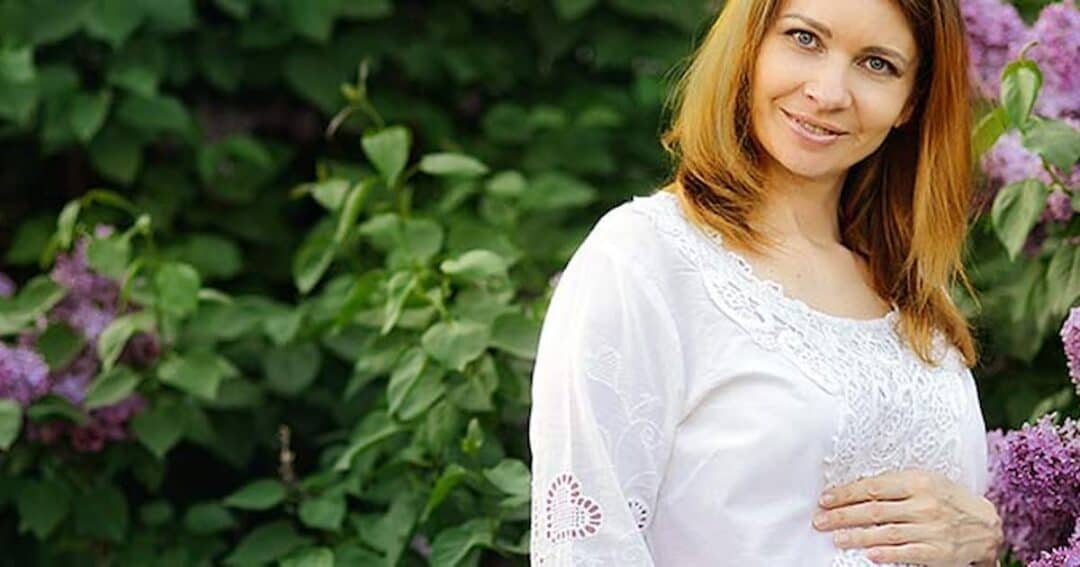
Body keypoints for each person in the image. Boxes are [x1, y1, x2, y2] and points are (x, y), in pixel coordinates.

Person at [527, 0, 1007, 565]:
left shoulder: (912, 295)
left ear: (911, 102)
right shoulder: (644, 260)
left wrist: (983, 544)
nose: (829, 92)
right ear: (750, 45)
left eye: (877, 64)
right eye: (805, 39)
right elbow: (586, 547)